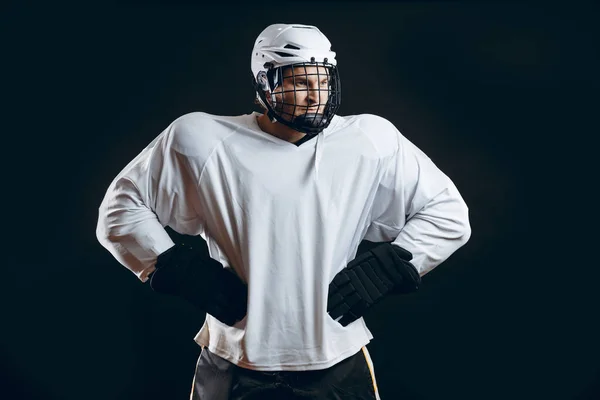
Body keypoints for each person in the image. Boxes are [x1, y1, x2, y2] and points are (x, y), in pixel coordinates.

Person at [96, 22, 471, 400]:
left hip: (336, 357)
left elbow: (448, 214)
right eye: (300, 83)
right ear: (264, 82)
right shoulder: (202, 140)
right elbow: (119, 210)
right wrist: (175, 266)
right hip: (234, 357)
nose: (315, 97)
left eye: (323, 82)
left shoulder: (369, 141)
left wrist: (389, 267)